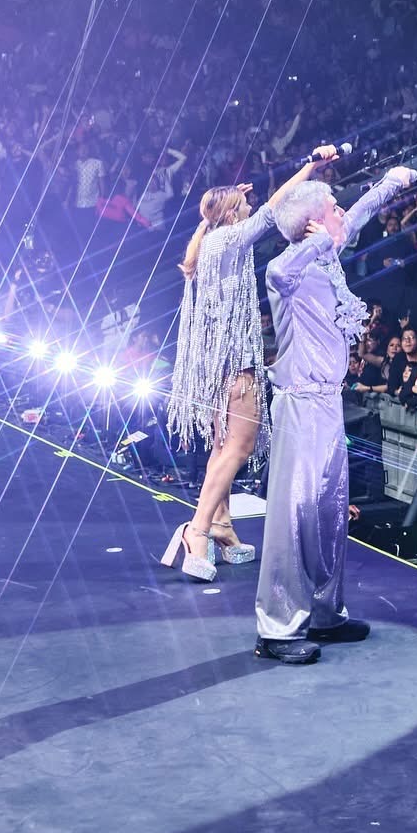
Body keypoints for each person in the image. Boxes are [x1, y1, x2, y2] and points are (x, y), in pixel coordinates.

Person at [254, 163, 417, 664]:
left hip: (328, 403)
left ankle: (325, 613)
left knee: (328, 510)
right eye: (332, 208)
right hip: (300, 402)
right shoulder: (292, 266)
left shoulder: (324, 261)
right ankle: (277, 628)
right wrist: (322, 240)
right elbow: (279, 272)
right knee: (293, 512)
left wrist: (390, 184)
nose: (342, 213)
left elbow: (361, 215)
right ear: (312, 224)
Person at [161, 146, 339, 581]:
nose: (252, 205)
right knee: (239, 446)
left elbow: (248, 211)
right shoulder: (229, 238)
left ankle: (221, 525)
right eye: (244, 204)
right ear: (231, 214)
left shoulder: (210, 240)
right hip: (234, 362)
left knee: (223, 448)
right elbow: (277, 208)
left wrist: (228, 203)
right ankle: (197, 531)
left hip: (216, 362)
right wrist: (310, 169)